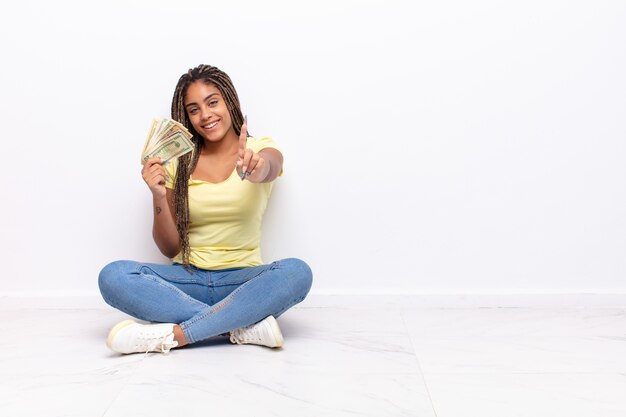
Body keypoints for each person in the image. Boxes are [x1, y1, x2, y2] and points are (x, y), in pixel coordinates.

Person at [98, 64, 313, 354]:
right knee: (112, 276)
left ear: (229, 101)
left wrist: (258, 168)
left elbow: (271, 166)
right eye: (194, 109)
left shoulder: (259, 147)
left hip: (243, 283)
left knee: (297, 273)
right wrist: (158, 196)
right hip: (187, 279)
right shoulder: (177, 161)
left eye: (213, 102)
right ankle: (239, 326)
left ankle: (177, 336)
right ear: (186, 117)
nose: (206, 115)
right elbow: (169, 246)